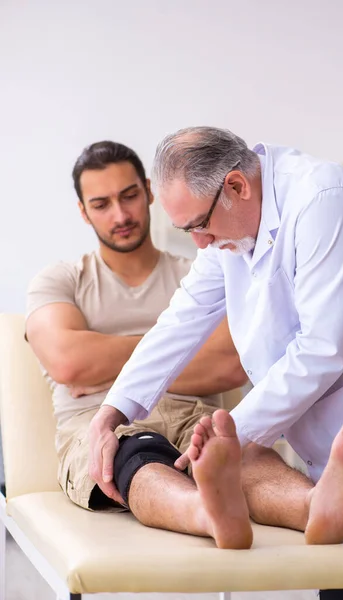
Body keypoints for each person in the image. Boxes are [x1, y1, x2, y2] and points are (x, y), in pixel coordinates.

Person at [88, 127, 343, 552]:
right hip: (333, 436)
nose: (200, 243)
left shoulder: (327, 201)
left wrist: (225, 439)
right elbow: (182, 318)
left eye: (199, 225)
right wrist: (111, 412)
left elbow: (322, 349)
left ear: (236, 185)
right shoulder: (226, 228)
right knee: (342, 559)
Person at [26, 140, 248, 512]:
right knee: (135, 455)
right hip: (100, 425)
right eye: (101, 205)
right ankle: (206, 513)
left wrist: (102, 361)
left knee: (249, 454)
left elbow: (230, 364)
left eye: (129, 196)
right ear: (84, 212)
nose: (119, 215)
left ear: (148, 192)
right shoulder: (61, 280)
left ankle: (314, 504)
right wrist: (179, 349)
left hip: (196, 419)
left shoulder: (202, 273)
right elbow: (69, 363)